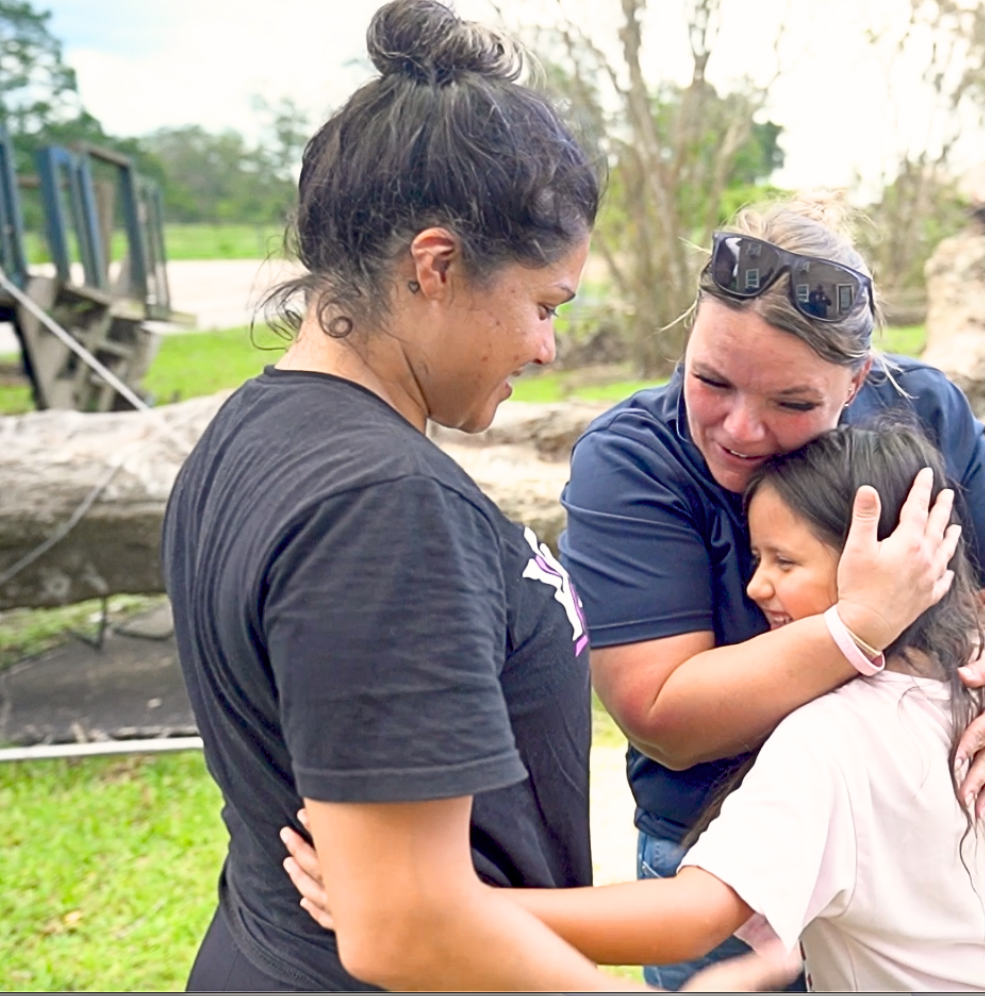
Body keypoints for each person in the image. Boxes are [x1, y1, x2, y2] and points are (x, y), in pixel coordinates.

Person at [161, 1, 789, 991]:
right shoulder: (381, 506)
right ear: (437, 265)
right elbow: (405, 929)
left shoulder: (253, 429)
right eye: (543, 306)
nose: (546, 346)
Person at [282, 423, 985, 991]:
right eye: (756, 558)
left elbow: (691, 917)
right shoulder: (984, 693)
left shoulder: (831, 736)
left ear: (891, 558)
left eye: (783, 562)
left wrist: (448, 912)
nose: (755, 589)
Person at [558, 198, 985, 988]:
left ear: (858, 381)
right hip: (718, 835)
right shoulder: (632, 463)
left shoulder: (922, 409)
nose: (740, 428)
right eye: (711, 381)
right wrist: (856, 626)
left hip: (894, 834)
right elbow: (661, 715)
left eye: (791, 403)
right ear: (686, 337)